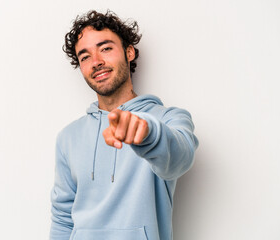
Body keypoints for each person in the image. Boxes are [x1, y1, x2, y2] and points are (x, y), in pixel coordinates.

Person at [50, 10, 199, 240]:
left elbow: (180, 158)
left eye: (106, 48)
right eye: (85, 56)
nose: (96, 62)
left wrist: (149, 135)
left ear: (129, 52)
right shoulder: (68, 137)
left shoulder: (169, 119)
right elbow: (62, 219)